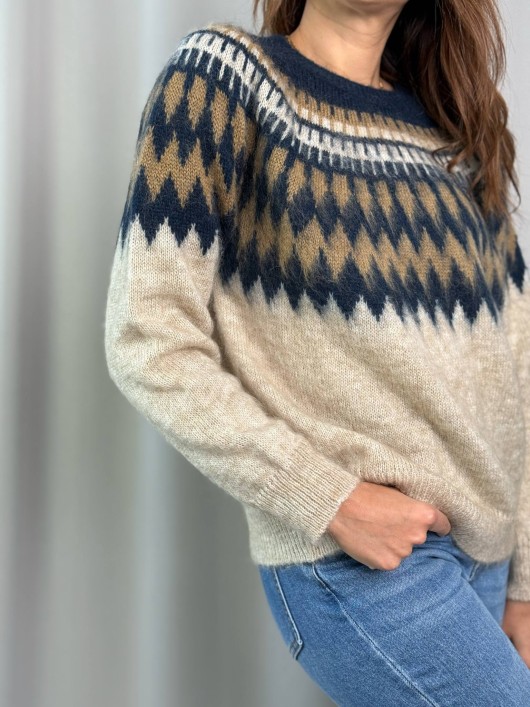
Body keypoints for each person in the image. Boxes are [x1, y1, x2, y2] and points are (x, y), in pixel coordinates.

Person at [104, 0, 530, 702]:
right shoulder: (223, 81)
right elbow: (148, 337)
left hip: (488, 558)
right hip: (365, 559)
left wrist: (523, 582)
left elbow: (518, 363)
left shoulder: (456, 138)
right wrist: (330, 499)